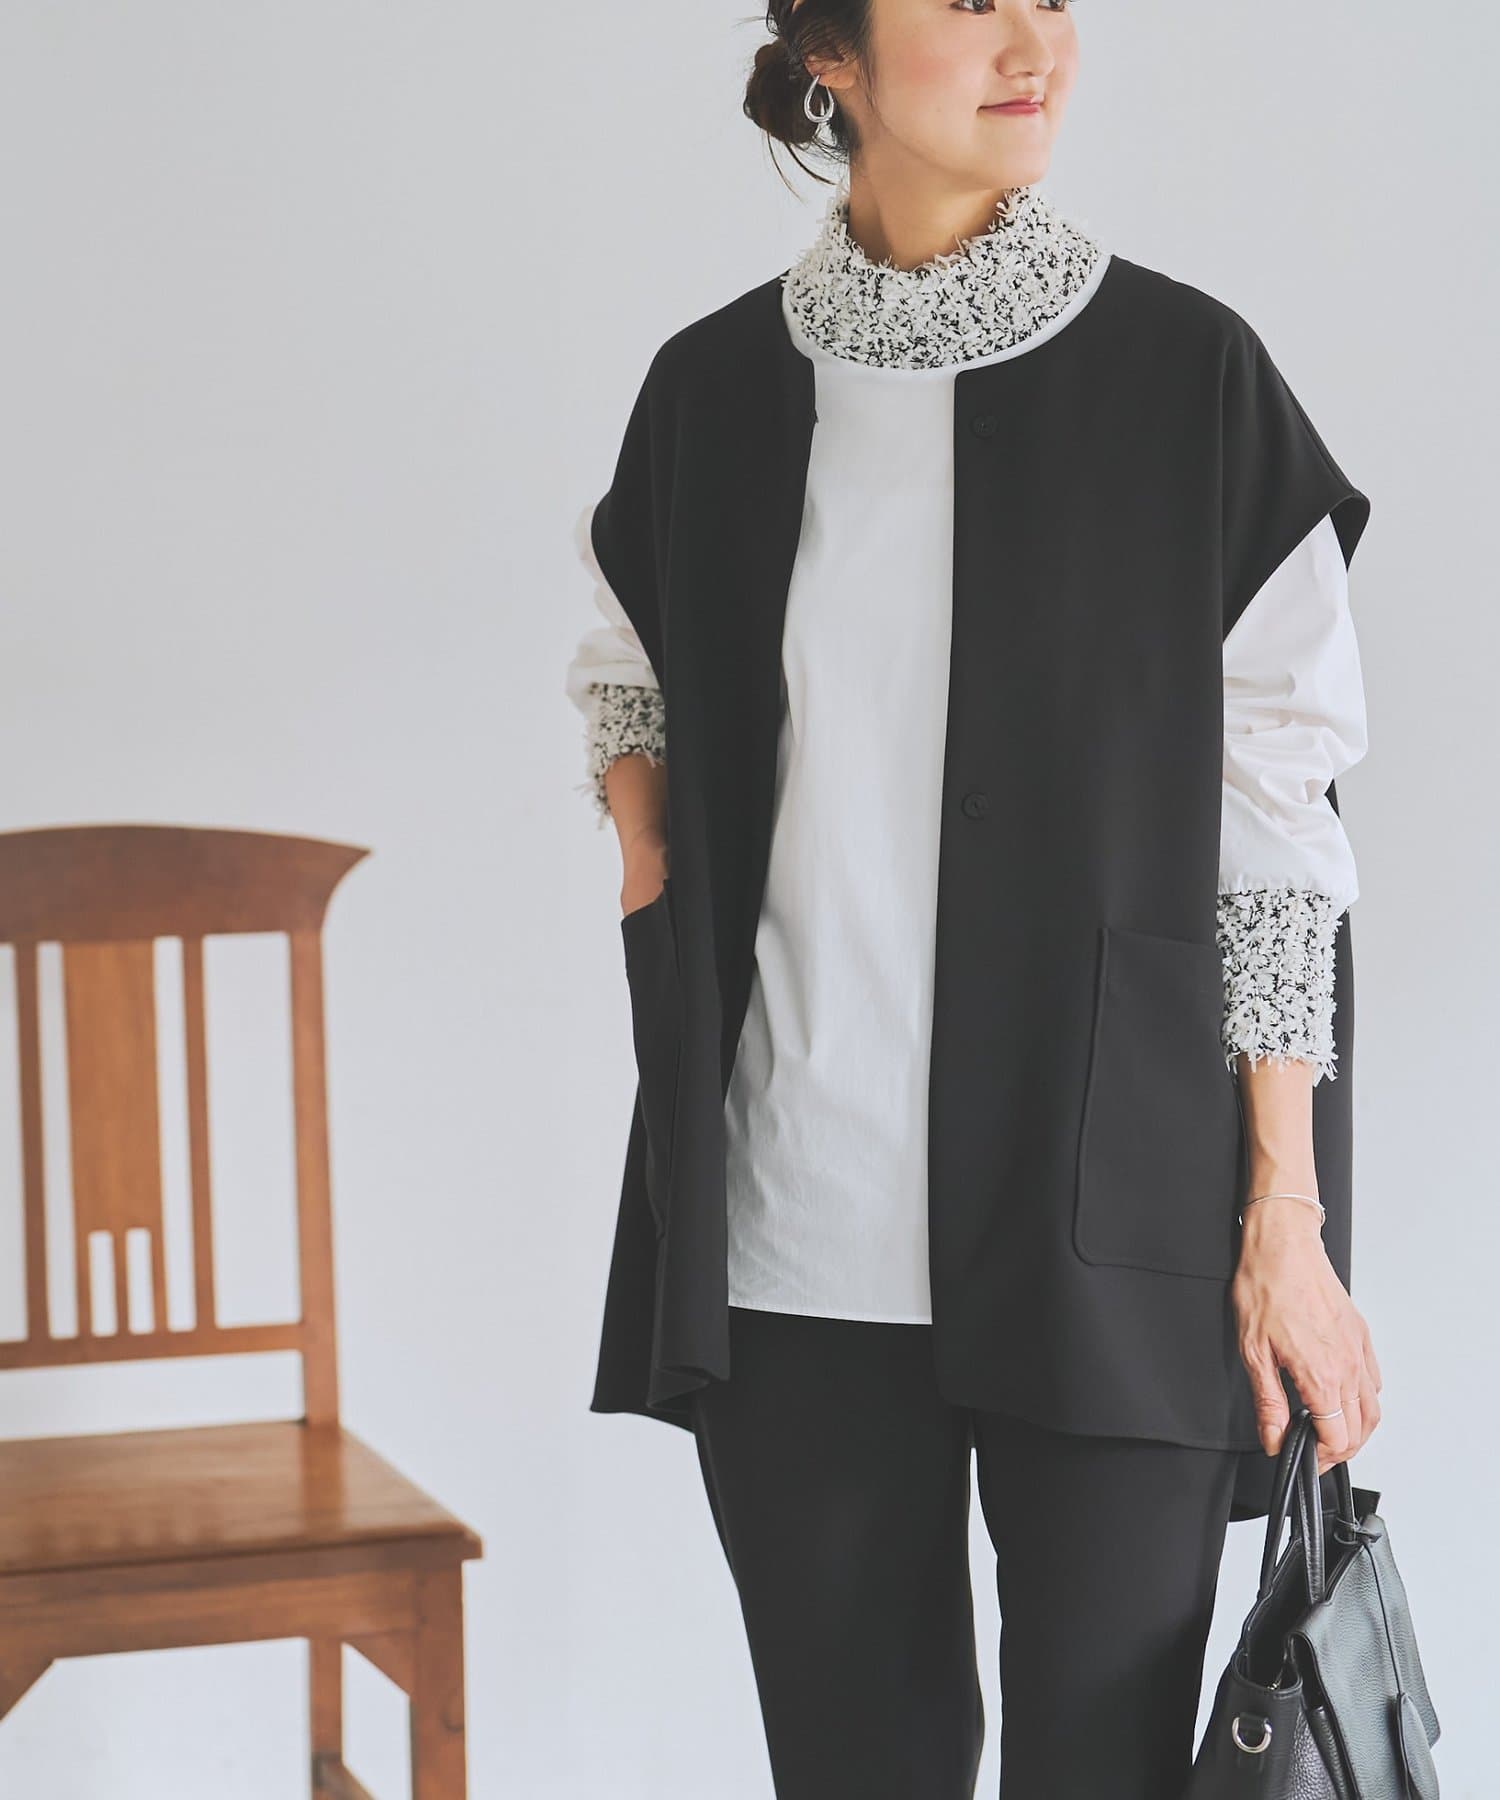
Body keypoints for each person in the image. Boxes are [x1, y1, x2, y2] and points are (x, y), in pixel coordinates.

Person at [564, 1, 1384, 1793]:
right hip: (795, 1229)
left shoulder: (1190, 379)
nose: (1032, 44)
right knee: (856, 1767)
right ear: (833, 57)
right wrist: (651, 871)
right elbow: (629, 670)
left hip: (1121, 1220)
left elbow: (1282, 821)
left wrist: (1286, 1215)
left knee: (1107, 1766)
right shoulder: (712, 391)